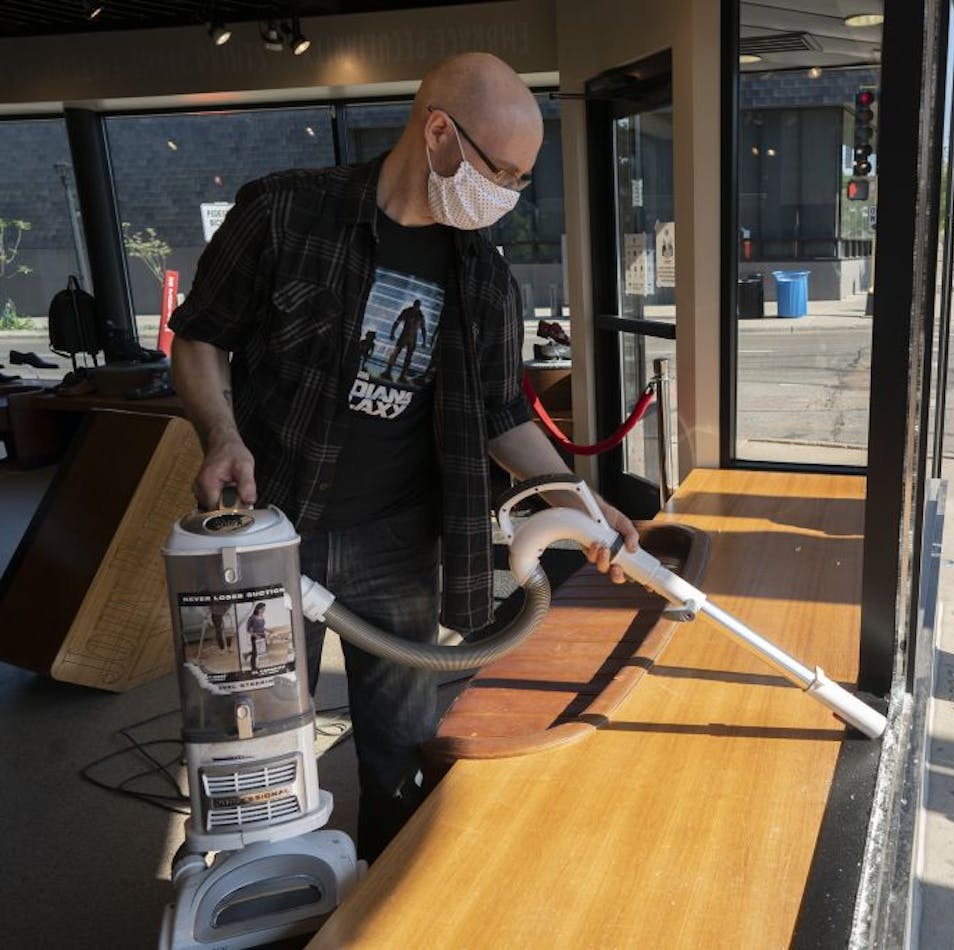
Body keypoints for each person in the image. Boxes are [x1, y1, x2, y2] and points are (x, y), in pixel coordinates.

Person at [169, 52, 640, 859]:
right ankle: (255, 888)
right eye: (502, 172)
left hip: (400, 541)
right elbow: (202, 338)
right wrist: (223, 434)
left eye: (524, 180)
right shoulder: (286, 214)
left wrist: (581, 503)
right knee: (250, 734)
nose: (509, 196)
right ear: (438, 132)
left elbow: (498, 415)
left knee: (403, 744)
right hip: (269, 527)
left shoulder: (486, 279)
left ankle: (387, 898)